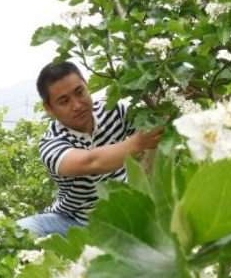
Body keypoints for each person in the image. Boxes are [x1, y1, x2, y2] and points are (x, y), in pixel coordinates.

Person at [17, 61, 165, 237]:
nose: (77, 105)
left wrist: (174, 99)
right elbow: (90, 161)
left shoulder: (112, 110)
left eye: (79, 93)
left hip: (121, 217)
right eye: (64, 101)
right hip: (72, 223)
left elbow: (154, 121)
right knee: (18, 231)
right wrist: (137, 143)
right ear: (49, 108)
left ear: (86, 86)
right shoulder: (51, 143)